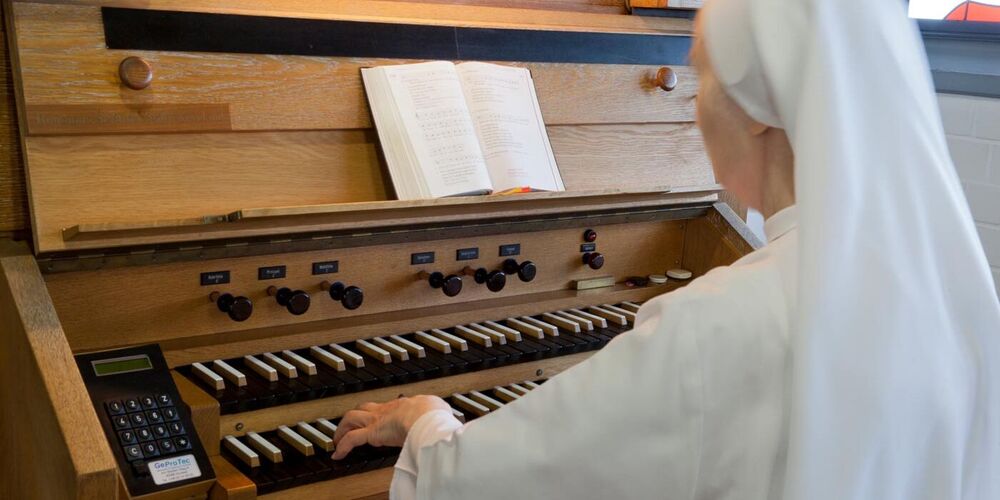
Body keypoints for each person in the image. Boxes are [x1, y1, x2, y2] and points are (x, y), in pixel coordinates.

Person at [331, 0, 1000, 498]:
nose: (695, 105)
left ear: (763, 106)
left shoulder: (721, 323)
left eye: (701, 75)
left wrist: (427, 421)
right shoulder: (952, 292)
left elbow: (494, 481)